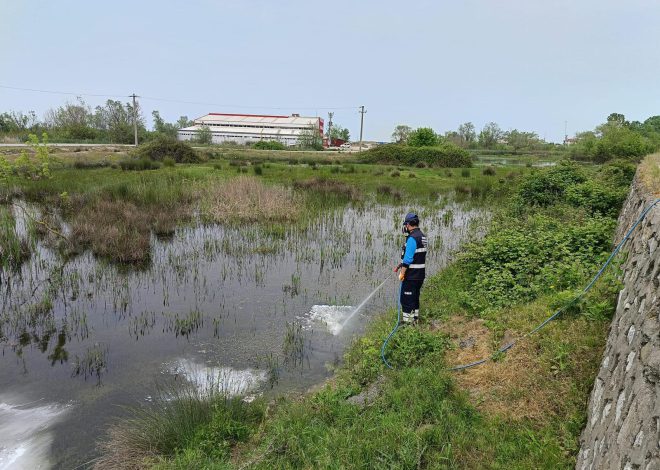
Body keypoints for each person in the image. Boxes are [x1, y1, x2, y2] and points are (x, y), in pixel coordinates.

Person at [393, 212, 427, 325]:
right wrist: (400, 264)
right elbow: (417, 255)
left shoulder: (412, 238)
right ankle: (415, 321)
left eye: (406, 225)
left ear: (408, 224)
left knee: (406, 300)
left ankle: (407, 326)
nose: (405, 228)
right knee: (415, 298)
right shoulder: (422, 236)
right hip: (420, 275)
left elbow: (408, 260)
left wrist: (402, 273)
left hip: (411, 276)